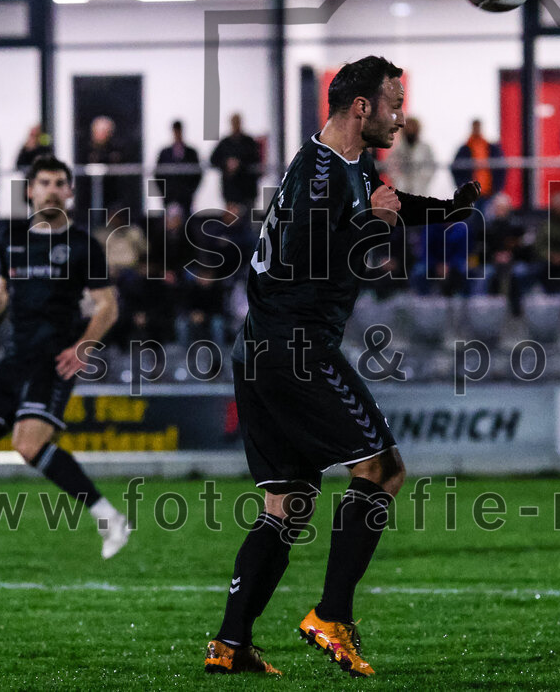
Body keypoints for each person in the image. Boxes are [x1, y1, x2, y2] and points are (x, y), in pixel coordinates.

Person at [204, 56, 481, 677]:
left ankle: (230, 642)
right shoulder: (323, 177)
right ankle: (331, 615)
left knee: (290, 502)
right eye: (395, 103)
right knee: (383, 471)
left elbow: (382, 202)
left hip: (263, 349)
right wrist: (377, 225)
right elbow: (317, 248)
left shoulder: (343, 163)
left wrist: (442, 210)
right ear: (363, 107)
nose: (400, 115)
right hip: (296, 347)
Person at [0, 156, 129, 573]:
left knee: (27, 445)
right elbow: (2, 293)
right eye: (43, 182)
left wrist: (82, 347)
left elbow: (108, 308)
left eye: (59, 183)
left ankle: (109, 518)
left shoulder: (85, 245)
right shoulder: (14, 239)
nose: (51, 189)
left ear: (69, 192)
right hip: (13, 360)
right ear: (30, 190)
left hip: (52, 362)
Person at [211, 113, 263, 209]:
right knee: (232, 222)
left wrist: (239, 164)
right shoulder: (225, 143)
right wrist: (226, 163)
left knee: (248, 220)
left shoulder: (249, 142)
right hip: (231, 191)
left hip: (247, 190)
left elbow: (255, 159)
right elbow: (213, 160)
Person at [154, 120, 203, 216]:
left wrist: (190, 191)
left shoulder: (191, 152)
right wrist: (164, 192)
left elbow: (198, 174)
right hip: (169, 195)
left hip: (185, 196)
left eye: (179, 131)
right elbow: (158, 174)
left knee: (186, 221)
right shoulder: (165, 153)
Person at [451, 119, 505, 206]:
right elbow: (456, 168)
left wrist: (497, 188)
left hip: (488, 192)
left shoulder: (490, 147)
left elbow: (501, 168)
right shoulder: (465, 149)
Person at [385, 116, 437, 195]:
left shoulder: (425, 149)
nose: (410, 130)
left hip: (420, 190)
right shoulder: (397, 150)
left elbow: (431, 167)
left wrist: (421, 179)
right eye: (408, 127)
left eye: (413, 127)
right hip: (402, 190)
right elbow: (391, 168)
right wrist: (399, 181)